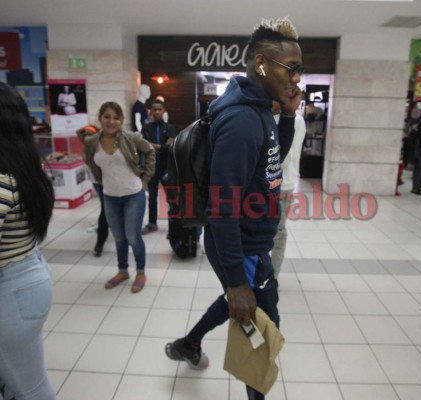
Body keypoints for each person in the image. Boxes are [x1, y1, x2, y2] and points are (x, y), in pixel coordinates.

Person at [165, 17, 302, 400]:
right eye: (292, 68)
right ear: (261, 64)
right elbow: (223, 207)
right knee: (258, 329)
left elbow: (272, 161)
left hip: (252, 241)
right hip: (242, 245)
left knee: (251, 317)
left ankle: (188, 343)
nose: (297, 78)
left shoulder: (259, 108)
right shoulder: (243, 119)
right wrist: (238, 281)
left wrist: (288, 116)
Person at [0, 82, 56, 399]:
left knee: (31, 388)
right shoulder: (23, 169)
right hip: (28, 275)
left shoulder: (2, 180)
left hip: (11, 289)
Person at [82, 101, 155, 293]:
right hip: (110, 196)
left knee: (133, 236)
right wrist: (99, 180)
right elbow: (90, 160)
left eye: (116, 117)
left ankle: (140, 271)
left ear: (122, 120)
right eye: (107, 117)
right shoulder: (92, 142)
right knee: (119, 238)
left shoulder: (131, 137)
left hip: (133, 195)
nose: (111, 121)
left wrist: (146, 178)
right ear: (100, 119)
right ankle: (123, 271)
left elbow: (149, 150)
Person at [271, 100, 306, 279]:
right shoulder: (262, 117)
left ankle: (273, 275)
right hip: (261, 184)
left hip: (283, 184)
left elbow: (290, 155)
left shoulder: (297, 120)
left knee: (278, 231)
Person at [141, 98, 177, 234]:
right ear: (150, 111)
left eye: (159, 109)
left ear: (164, 111)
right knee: (152, 198)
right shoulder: (146, 128)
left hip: (166, 168)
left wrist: (153, 146)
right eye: (154, 109)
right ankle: (152, 224)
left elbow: (170, 147)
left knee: (171, 198)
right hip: (151, 168)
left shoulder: (170, 128)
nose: (157, 112)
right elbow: (143, 146)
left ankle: (173, 226)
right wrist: (161, 147)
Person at [76, 125, 110, 256]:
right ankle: (100, 241)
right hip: (97, 182)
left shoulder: (100, 145)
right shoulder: (88, 145)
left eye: (90, 135)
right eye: (86, 135)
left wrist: (96, 130)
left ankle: (100, 242)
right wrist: (89, 128)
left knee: (106, 210)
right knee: (105, 209)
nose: (87, 137)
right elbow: (78, 132)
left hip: (106, 181)